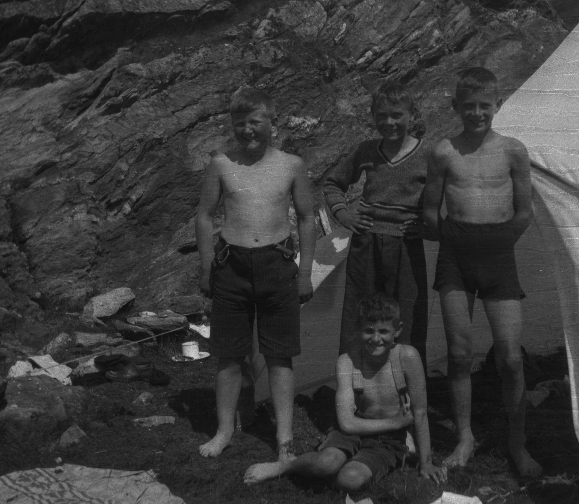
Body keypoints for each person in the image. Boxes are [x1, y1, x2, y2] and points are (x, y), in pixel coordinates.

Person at [422, 67, 543, 477]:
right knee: (459, 354)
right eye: (469, 106)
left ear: (498, 104)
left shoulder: (513, 151)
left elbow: (524, 211)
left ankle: (517, 444)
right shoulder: (444, 152)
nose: (477, 113)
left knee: (510, 357)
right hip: (455, 257)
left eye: (484, 106)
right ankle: (465, 437)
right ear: (456, 107)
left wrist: (499, 242)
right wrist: (454, 240)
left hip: (498, 256)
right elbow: (430, 210)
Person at [196, 86, 317, 460]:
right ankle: (223, 431)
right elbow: (204, 215)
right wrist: (206, 267)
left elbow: (307, 218)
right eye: (239, 123)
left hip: (277, 265)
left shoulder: (291, 165)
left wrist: (305, 273)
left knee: (280, 355)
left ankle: (284, 439)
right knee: (229, 355)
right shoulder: (221, 164)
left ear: (271, 122)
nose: (247, 130)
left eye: (255, 121)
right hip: (231, 267)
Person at [244, 293, 446, 489]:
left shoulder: (407, 357)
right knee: (326, 463)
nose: (376, 339)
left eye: (383, 331)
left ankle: (323, 472)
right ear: (358, 328)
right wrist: (396, 422)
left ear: (398, 330)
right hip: (352, 432)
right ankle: (287, 466)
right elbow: (347, 423)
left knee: (350, 479)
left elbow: (420, 412)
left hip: (389, 440)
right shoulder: (347, 362)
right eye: (369, 331)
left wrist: (426, 463)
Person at [322, 82, 431, 370]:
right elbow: (332, 183)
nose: (389, 122)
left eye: (397, 115)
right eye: (381, 116)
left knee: (408, 313)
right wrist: (344, 215)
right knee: (361, 312)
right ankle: (357, 382)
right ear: (372, 116)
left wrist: (429, 226)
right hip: (367, 246)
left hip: (407, 246)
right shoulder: (367, 150)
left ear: (411, 114)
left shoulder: (428, 155)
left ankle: (406, 384)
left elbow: (446, 195)